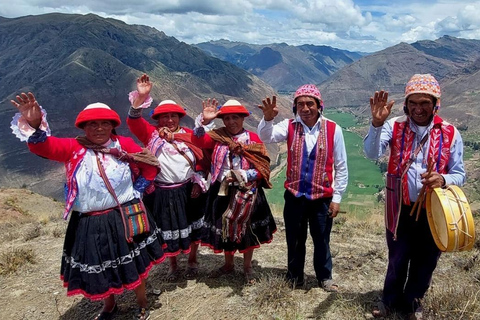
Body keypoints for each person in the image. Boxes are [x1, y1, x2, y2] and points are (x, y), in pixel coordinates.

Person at [10, 92, 166, 320]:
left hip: (124, 215)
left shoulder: (124, 145)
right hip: (90, 221)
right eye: (92, 124)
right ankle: (110, 305)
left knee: (134, 263)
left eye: (105, 123)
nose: (99, 128)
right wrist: (35, 124)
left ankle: (142, 302)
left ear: (112, 126)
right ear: (84, 127)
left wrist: (138, 189)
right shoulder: (73, 148)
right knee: (101, 265)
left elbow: (150, 165)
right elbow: (44, 147)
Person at [363, 74, 466, 319]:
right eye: (413, 103)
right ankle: (390, 301)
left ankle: (413, 304)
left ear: (435, 104)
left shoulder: (450, 133)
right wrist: (376, 125)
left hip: (435, 211)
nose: (418, 109)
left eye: (425, 103)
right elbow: (371, 153)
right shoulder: (394, 125)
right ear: (406, 104)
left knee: (426, 259)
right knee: (397, 257)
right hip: (400, 208)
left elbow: (460, 174)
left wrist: (443, 179)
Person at [257, 84, 348, 292]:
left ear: (319, 105)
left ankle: (324, 277)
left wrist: (337, 197)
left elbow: (341, 166)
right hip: (295, 196)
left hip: (321, 198)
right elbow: (266, 136)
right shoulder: (288, 126)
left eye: (310, 103)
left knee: (322, 239)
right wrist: (268, 119)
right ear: (295, 107)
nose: (305, 108)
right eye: (300, 104)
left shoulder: (334, 129)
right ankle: (294, 277)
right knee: (295, 239)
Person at [127, 74, 210, 281]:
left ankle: (192, 259)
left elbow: (201, 159)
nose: (169, 120)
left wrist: (199, 179)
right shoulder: (151, 135)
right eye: (164, 117)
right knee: (167, 229)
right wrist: (140, 97)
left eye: (173, 116)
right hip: (163, 191)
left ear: (179, 117)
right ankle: (173, 264)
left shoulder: (190, 135)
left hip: (189, 189)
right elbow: (133, 121)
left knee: (193, 225)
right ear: (157, 119)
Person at [191, 99, 277, 284]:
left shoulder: (252, 139)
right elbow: (197, 139)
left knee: (246, 230)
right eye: (227, 118)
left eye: (235, 118)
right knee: (225, 229)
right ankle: (228, 264)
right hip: (220, 191)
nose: (231, 122)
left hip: (247, 191)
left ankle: (247, 267)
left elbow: (263, 168)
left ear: (243, 119)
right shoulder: (216, 137)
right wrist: (204, 122)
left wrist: (242, 175)